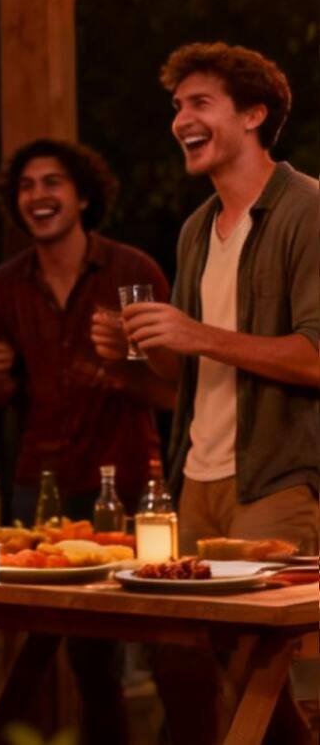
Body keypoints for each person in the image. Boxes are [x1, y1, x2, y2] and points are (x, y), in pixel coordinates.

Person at [106, 44, 318, 745]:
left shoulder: (308, 210)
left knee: (255, 658)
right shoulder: (198, 228)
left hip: (277, 478)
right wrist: (145, 346)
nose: (181, 120)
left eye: (200, 103)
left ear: (254, 114)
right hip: (196, 477)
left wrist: (195, 333)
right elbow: (183, 375)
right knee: (178, 657)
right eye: (177, 107)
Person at [0, 138, 172, 745]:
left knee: (124, 650)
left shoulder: (133, 273)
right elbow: (0, 398)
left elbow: (175, 392)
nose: (38, 195)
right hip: (38, 486)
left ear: (83, 196)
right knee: (35, 647)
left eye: (52, 182)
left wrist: (120, 368)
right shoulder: (5, 286)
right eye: (27, 186)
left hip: (124, 483)